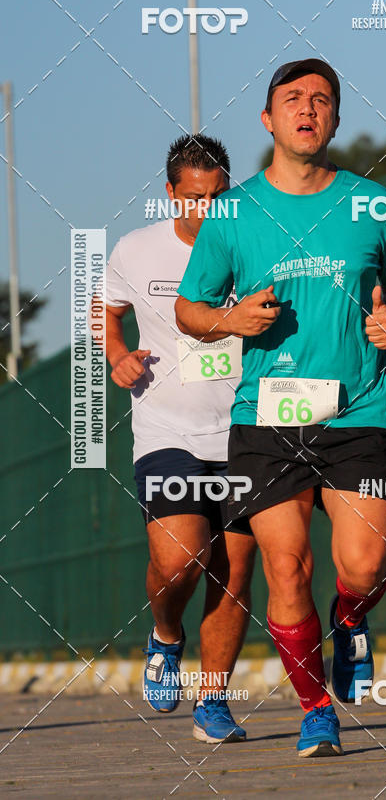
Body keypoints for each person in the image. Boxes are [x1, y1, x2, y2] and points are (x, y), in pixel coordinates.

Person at [175, 60, 386, 757]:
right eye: (292, 99)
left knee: (363, 567)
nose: (307, 109)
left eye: (321, 100)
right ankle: (316, 709)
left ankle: (351, 619)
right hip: (265, 420)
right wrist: (228, 321)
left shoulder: (372, 202)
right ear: (268, 119)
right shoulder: (232, 213)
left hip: (357, 414)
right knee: (286, 569)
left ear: (335, 120)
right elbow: (189, 308)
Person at [103, 134, 256, 743]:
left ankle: (213, 703)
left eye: (218, 196)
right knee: (181, 557)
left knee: (234, 571)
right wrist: (117, 354)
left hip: (246, 431)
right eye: (194, 197)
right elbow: (106, 307)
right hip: (167, 430)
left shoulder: (254, 245)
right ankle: (166, 635)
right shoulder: (136, 250)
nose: (207, 209)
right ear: (170, 193)